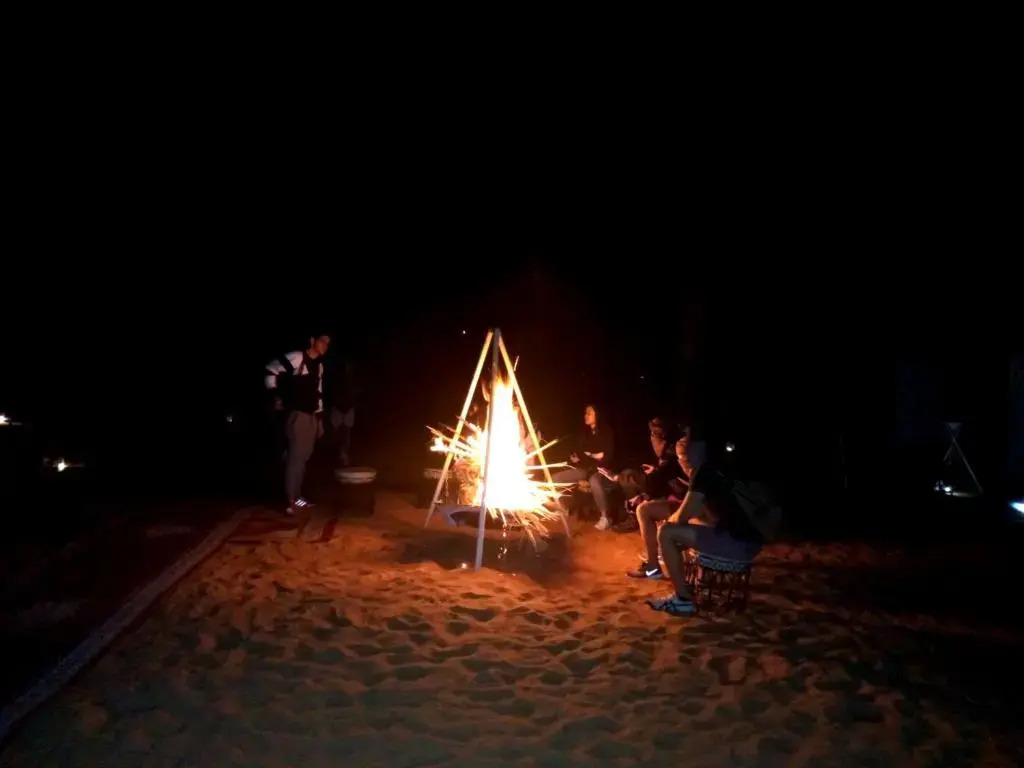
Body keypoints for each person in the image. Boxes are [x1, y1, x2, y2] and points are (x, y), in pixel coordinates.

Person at [641, 434, 770, 617]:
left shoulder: (704, 473)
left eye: (683, 456)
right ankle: (695, 580)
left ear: (693, 454)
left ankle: (683, 599)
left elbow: (681, 517)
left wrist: (667, 539)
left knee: (667, 532)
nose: (681, 461)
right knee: (687, 527)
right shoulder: (723, 466)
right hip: (751, 543)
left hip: (736, 544)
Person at [265, 332, 331, 514]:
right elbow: (271, 368)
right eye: (322, 341)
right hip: (298, 415)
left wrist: (319, 421)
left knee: (303, 457)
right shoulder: (298, 357)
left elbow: (318, 394)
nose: (325, 346)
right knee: (297, 459)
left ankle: (297, 497)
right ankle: (292, 501)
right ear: (312, 341)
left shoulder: (319, 366)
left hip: (310, 417)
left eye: (328, 343)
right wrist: (275, 394)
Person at [553, 404, 615, 530]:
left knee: (594, 481)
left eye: (589, 413)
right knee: (555, 478)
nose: (586, 415)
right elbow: (583, 455)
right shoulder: (584, 434)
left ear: (598, 414)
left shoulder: (607, 431)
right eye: (585, 413)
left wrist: (592, 455)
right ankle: (564, 508)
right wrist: (576, 459)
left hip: (602, 469)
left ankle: (605, 517)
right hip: (586, 469)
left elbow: (605, 456)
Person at [328, 360, 358, 466]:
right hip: (338, 410)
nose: (347, 368)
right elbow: (333, 395)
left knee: (345, 433)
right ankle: (337, 456)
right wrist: (341, 406)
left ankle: (344, 456)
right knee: (337, 434)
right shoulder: (336, 380)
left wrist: (348, 406)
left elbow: (352, 396)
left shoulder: (352, 380)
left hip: (347, 410)